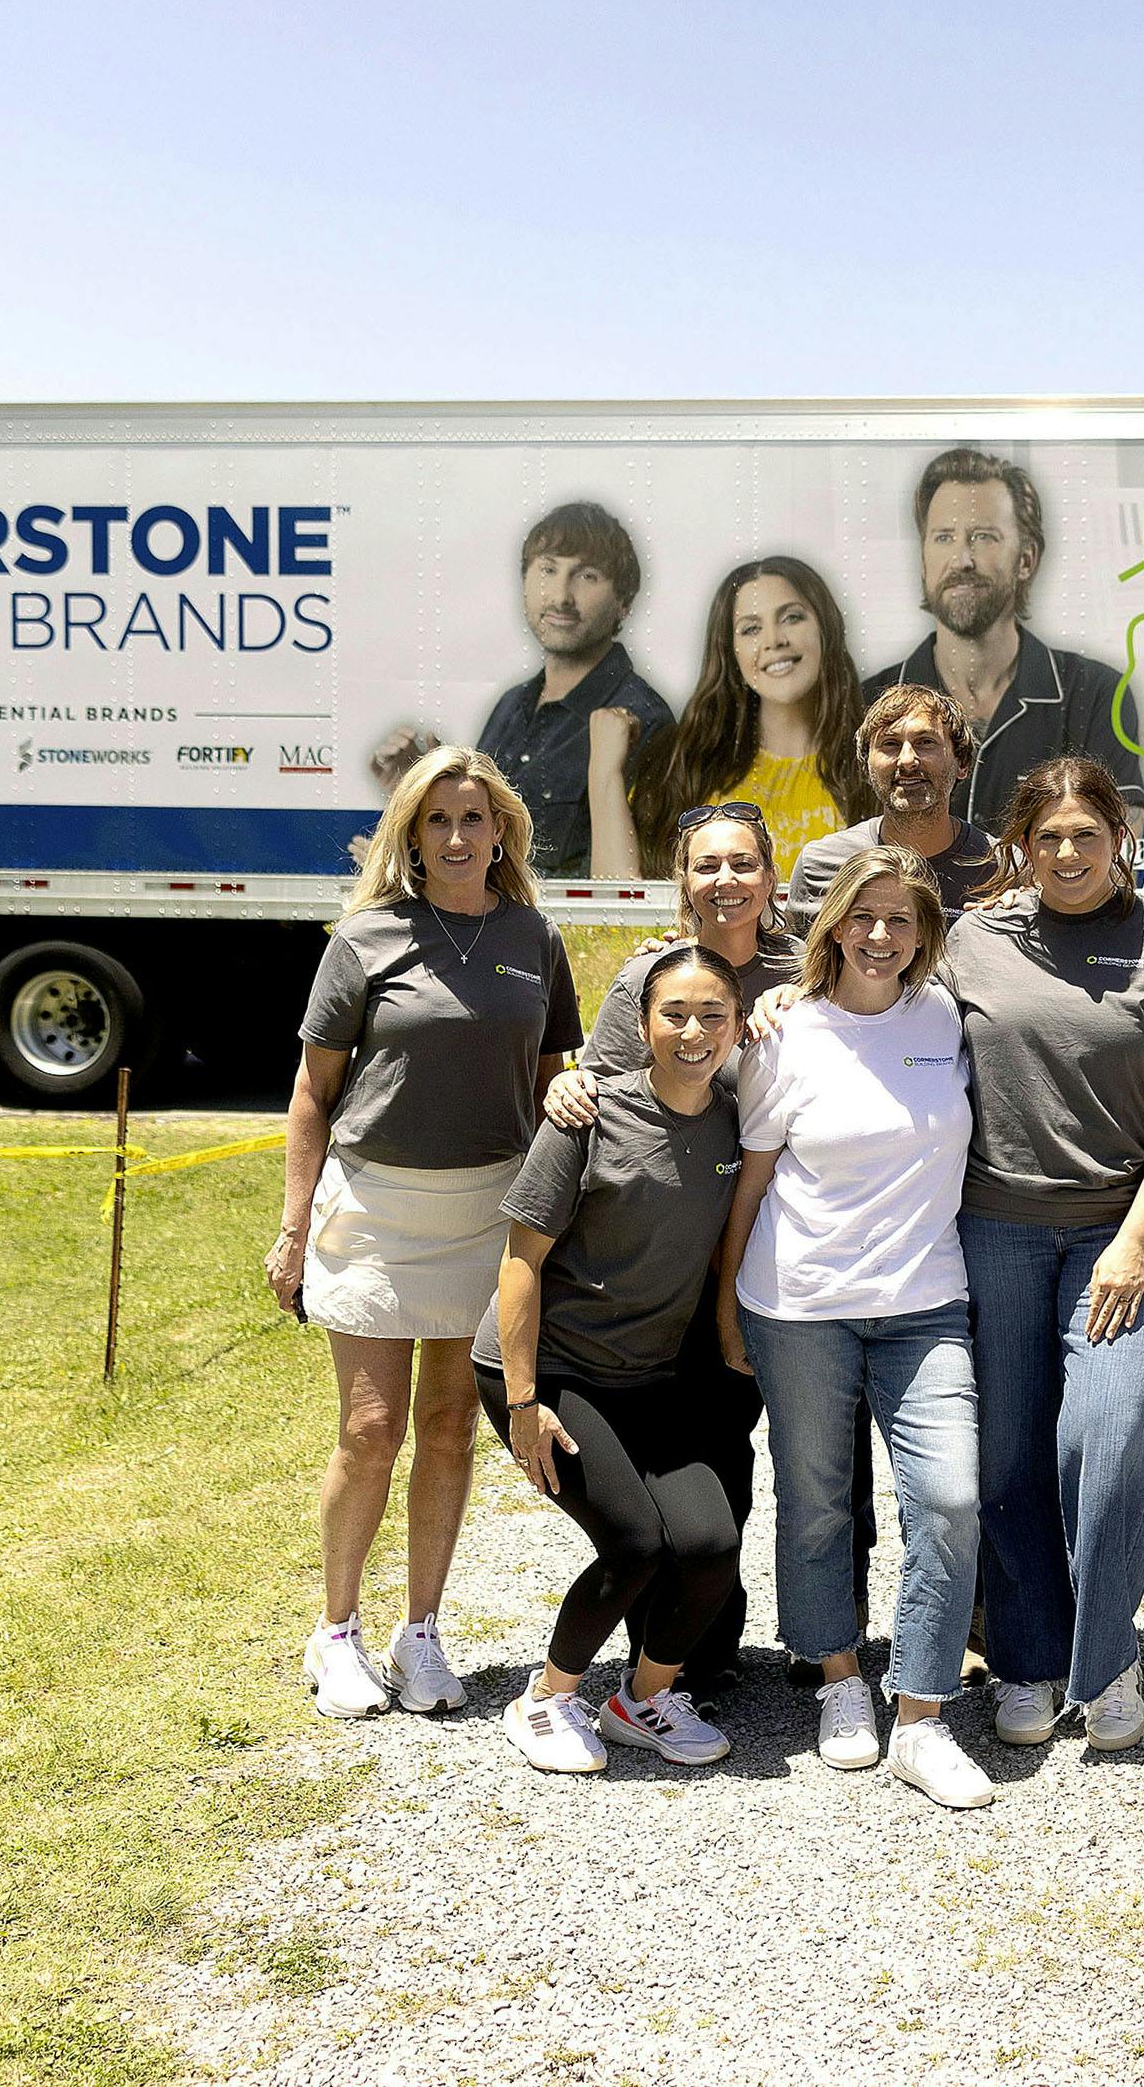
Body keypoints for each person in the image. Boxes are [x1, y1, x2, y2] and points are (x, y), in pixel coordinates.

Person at [272, 746, 582, 1719]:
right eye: (437, 821)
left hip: (487, 1208)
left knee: (450, 1427)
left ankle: (423, 1634)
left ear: (502, 834)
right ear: (411, 835)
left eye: (473, 820)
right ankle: (336, 1634)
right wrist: (291, 1230)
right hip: (374, 1208)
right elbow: (312, 1096)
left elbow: (551, 1078)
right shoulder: (364, 937)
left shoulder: (533, 937)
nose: (456, 837)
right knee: (371, 1431)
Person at [716, 844, 993, 1809]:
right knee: (820, 1500)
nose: (880, 936)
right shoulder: (784, 1035)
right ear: (832, 923)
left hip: (926, 1304)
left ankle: (921, 1711)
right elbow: (751, 1181)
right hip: (800, 1307)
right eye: (863, 916)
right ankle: (838, 1680)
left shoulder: (944, 1019)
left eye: (902, 920)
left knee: (950, 1497)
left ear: (925, 935)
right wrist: (726, 1307)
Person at [953, 757, 1144, 1754]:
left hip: (1120, 1235)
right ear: (1022, 845)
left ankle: (1105, 1660)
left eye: (1087, 835)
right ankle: (1025, 1659)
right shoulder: (973, 940)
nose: (1067, 853)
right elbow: (870, 1008)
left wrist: (1135, 1241)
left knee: (1106, 1448)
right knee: (1009, 1459)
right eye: (1048, 837)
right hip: (995, 1232)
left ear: (1122, 840)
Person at [539, 802, 803, 1694]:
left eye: (742, 864)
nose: (724, 881)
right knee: (686, 1456)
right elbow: (608, 1091)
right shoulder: (646, 973)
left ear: (771, 874)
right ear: (680, 881)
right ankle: (678, 1656)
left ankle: (765, 1646)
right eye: (704, 866)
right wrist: (564, 1094)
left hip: (771, 1253)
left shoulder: (809, 969)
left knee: (746, 1452)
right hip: (666, 1267)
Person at [475, 942, 748, 1776]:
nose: (693, 1031)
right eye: (674, 1014)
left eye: (713, 1015)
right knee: (634, 1542)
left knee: (707, 1543)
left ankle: (641, 1699)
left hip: (649, 1378)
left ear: (738, 1026)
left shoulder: (739, 1118)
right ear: (640, 1024)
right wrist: (524, 1402)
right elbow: (520, 1263)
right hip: (548, 1369)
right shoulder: (587, 1118)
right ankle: (547, 1700)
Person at [858, 447, 1144, 833]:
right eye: (943, 537)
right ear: (924, 557)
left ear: (1026, 559)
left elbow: (1117, 834)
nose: (961, 559)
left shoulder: (1094, 694)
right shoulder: (869, 700)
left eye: (982, 537)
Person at [624, 556, 879, 883]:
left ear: (825, 628)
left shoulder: (878, 762)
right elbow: (622, 904)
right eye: (751, 629)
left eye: (792, 617)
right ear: (731, 651)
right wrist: (603, 774)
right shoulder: (688, 768)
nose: (774, 640)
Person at [474, 500, 673, 879]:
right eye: (548, 570)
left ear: (624, 602)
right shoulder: (510, 705)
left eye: (587, 576)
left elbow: (633, 888)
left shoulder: (646, 719)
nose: (562, 596)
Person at [780, 683, 1009, 930]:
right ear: (866, 769)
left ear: (962, 763)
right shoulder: (820, 865)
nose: (907, 760)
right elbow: (802, 964)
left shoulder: (1006, 870)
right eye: (890, 744)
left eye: (925, 742)